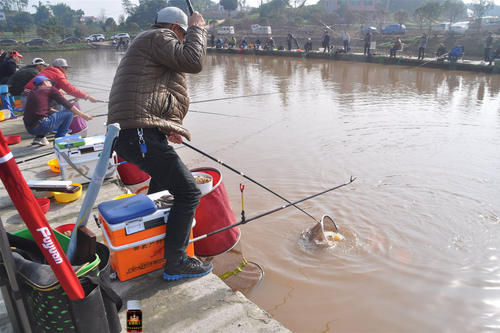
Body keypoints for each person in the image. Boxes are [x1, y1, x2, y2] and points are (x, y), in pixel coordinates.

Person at [107, 6, 213, 281]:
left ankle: (151, 245)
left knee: (162, 187)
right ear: (178, 29)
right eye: (184, 34)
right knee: (189, 192)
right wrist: (198, 28)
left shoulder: (148, 41)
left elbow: (150, 93)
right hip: (138, 133)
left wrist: (165, 129)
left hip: (138, 132)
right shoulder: (159, 37)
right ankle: (176, 261)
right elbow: (193, 61)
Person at [23, 75, 92, 146]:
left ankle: (39, 138)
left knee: (48, 115)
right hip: (41, 126)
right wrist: (83, 115)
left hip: (29, 129)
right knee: (70, 112)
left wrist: (60, 115)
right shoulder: (50, 89)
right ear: (45, 82)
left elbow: (43, 109)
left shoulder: (32, 92)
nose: (51, 85)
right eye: (50, 82)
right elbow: (67, 104)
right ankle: (59, 139)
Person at [25, 58, 99, 103]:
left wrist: (78, 95)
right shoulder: (58, 74)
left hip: (25, 96)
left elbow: (51, 88)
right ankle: (59, 126)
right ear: (61, 67)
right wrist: (88, 97)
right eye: (66, 68)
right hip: (32, 98)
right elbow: (70, 89)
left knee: (59, 98)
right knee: (60, 103)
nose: (66, 70)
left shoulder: (48, 71)